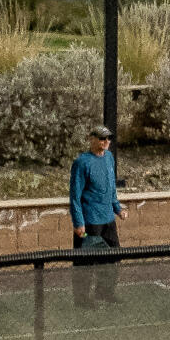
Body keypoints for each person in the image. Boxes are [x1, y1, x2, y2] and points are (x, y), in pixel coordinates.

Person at [68, 125, 122, 308]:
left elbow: (111, 187)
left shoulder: (109, 158)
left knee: (114, 256)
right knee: (85, 262)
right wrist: (78, 223)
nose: (106, 142)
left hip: (108, 220)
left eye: (108, 138)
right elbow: (75, 196)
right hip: (89, 223)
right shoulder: (82, 162)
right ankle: (82, 299)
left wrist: (118, 208)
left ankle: (104, 291)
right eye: (102, 138)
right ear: (91, 139)